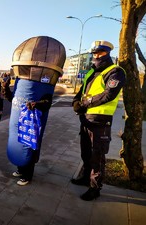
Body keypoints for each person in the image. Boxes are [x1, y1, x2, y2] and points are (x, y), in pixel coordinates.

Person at [71, 40, 126, 201]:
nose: (96, 56)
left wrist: (85, 103)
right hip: (86, 118)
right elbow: (82, 90)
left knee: (97, 155)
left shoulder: (115, 71)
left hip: (100, 120)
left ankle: (95, 188)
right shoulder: (92, 71)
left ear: (108, 53)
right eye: (94, 53)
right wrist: (76, 101)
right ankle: (85, 178)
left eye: (100, 53)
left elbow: (109, 94)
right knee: (86, 152)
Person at [2, 77, 52, 185]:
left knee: (30, 146)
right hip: (20, 120)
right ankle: (20, 170)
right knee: (19, 143)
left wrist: (36, 104)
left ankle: (27, 176)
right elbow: (13, 98)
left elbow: (47, 103)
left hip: (32, 123)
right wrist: (5, 88)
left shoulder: (43, 87)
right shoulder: (20, 84)